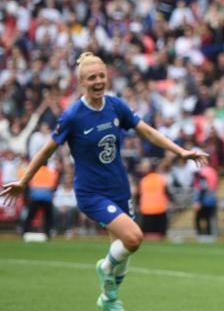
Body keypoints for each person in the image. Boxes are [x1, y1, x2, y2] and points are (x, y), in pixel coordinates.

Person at [0, 52, 209, 311]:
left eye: (101, 76)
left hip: (119, 188)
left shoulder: (115, 106)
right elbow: (45, 151)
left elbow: (147, 131)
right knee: (133, 238)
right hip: (92, 193)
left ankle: (108, 299)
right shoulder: (73, 116)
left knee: (123, 249)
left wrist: (181, 152)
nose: (98, 81)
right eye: (91, 78)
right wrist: (24, 181)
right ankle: (104, 267)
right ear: (81, 83)